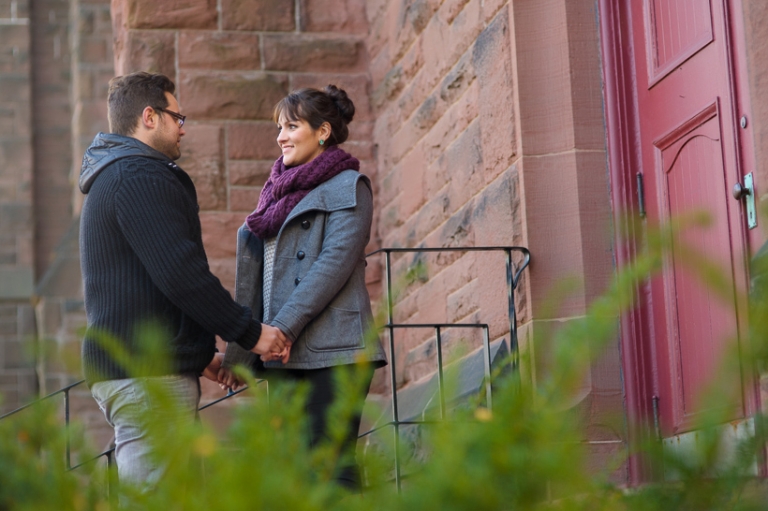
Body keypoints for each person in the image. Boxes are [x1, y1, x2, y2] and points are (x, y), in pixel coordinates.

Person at [78, 72, 289, 492]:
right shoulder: (137, 176)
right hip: (146, 376)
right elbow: (181, 274)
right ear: (150, 117)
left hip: (142, 369)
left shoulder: (118, 175)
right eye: (178, 116)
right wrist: (250, 333)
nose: (184, 127)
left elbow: (146, 285)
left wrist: (198, 356)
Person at [219, 85, 387, 490]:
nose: (280, 136)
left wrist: (284, 329)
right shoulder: (274, 195)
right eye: (279, 127)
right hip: (283, 353)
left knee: (330, 467)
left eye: (292, 126)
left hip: (335, 351)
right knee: (294, 473)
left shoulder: (350, 186)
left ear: (323, 131)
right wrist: (239, 354)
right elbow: (256, 280)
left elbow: (333, 264)